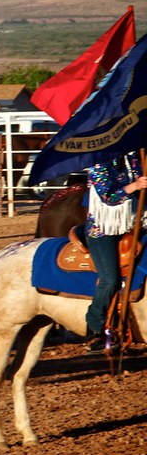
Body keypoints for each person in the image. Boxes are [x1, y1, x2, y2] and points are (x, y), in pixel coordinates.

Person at [83, 149, 147, 352]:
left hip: (130, 221)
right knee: (110, 279)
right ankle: (94, 327)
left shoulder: (133, 156)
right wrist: (135, 185)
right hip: (102, 228)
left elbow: (139, 179)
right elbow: (108, 196)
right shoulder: (98, 162)